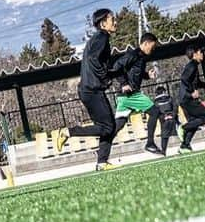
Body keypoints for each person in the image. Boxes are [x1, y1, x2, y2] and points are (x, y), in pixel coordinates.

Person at [55, 9, 122, 171]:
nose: (115, 22)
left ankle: (102, 162)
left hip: (90, 89)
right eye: (112, 19)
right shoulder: (102, 37)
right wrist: (104, 77)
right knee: (107, 127)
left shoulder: (99, 38)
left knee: (108, 127)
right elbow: (93, 60)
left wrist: (113, 74)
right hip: (92, 90)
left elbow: (99, 63)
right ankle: (68, 132)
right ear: (103, 23)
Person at [109, 33, 160, 153]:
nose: (153, 49)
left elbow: (136, 73)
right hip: (131, 94)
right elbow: (116, 66)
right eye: (152, 47)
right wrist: (123, 83)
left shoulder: (141, 58)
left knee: (119, 124)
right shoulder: (134, 54)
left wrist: (147, 75)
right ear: (146, 43)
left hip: (123, 97)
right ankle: (150, 143)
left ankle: (102, 148)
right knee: (155, 111)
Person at [175, 47, 205, 152]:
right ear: (195, 54)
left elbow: (199, 83)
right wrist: (191, 92)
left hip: (186, 99)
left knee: (195, 123)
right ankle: (183, 127)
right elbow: (184, 78)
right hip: (188, 98)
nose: (202, 55)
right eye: (201, 52)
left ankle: (185, 146)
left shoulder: (194, 66)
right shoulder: (191, 65)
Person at [152, 85, 179, 155]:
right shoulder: (170, 98)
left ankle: (163, 151)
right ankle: (185, 145)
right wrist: (172, 115)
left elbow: (155, 113)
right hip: (173, 119)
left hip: (163, 120)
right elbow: (176, 107)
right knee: (180, 132)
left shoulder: (155, 102)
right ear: (164, 91)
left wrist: (164, 116)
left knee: (164, 136)